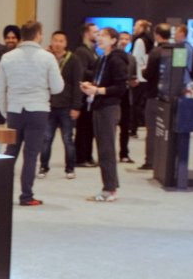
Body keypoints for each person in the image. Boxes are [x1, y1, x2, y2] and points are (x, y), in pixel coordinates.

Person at [0, 19, 63, 206]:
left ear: (22, 36)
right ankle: (26, 196)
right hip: (38, 110)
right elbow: (58, 87)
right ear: (38, 35)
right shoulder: (47, 58)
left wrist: (6, 111)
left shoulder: (8, 57)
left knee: (10, 153)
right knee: (31, 155)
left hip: (15, 110)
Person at [80, 27, 132, 202]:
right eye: (99, 35)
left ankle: (109, 189)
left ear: (113, 40)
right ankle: (109, 186)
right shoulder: (103, 58)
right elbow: (102, 81)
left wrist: (98, 90)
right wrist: (91, 86)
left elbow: (120, 88)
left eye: (104, 36)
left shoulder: (116, 60)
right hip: (99, 105)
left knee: (106, 149)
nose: (99, 38)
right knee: (103, 148)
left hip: (109, 108)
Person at [39, 29, 82, 179]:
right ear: (51, 42)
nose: (57, 44)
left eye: (61, 41)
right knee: (46, 138)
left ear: (66, 43)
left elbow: (77, 85)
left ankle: (70, 168)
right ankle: (43, 167)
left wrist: (76, 106)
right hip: (49, 105)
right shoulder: (45, 58)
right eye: (55, 40)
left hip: (67, 106)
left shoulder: (73, 60)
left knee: (67, 138)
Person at [140, 23, 175, 171]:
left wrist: (143, 70)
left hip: (154, 95)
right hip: (170, 97)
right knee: (168, 130)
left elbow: (148, 74)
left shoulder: (155, 52)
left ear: (157, 35)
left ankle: (150, 161)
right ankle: (166, 160)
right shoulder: (175, 51)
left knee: (152, 130)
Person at [73, 23, 99, 168]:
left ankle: (87, 155)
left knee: (89, 127)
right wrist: (97, 75)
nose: (97, 35)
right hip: (84, 95)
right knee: (84, 127)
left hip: (91, 94)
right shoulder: (81, 52)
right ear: (86, 33)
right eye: (95, 32)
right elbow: (81, 72)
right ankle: (81, 157)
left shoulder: (92, 51)